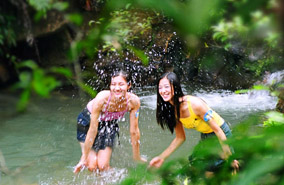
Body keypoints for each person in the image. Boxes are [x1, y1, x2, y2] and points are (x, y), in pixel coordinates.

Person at [149, 72, 239, 174]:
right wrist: (162, 158)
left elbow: (218, 130)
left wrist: (229, 155)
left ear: (175, 86)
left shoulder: (195, 105)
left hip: (221, 133)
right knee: (196, 164)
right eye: (160, 88)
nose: (163, 91)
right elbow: (180, 138)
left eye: (166, 87)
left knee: (216, 167)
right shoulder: (172, 110)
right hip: (206, 135)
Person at [74, 70, 146, 173]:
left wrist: (137, 156)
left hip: (109, 125)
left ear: (128, 85)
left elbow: (134, 131)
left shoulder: (133, 102)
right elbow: (93, 129)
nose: (117, 88)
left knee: (103, 166)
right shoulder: (102, 99)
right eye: (113, 84)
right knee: (92, 165)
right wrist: (83, 158)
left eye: (121, 84)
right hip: (87, 123)